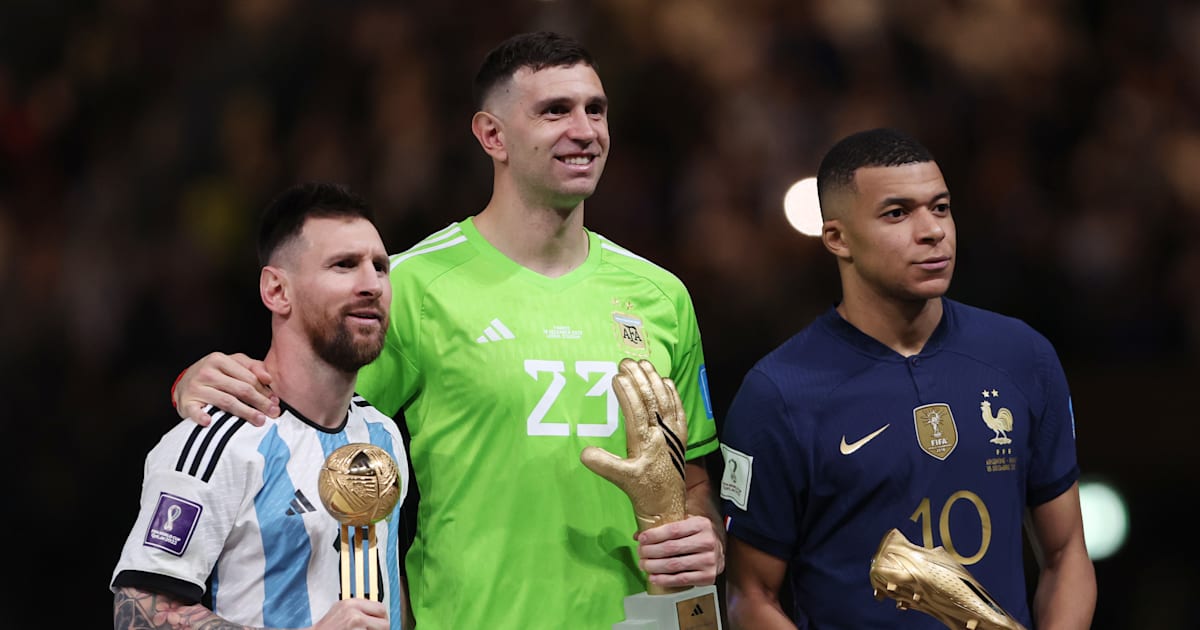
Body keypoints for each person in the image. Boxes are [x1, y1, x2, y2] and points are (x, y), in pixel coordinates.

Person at [169, 31, 724, 629]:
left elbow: (691, 478)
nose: (585, 129)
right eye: (554, 111)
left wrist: (704, 535)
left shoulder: (661, 295)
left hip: (642, 622)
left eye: (596, 109)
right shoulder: (410, 286)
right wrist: (192, 384)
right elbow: (296, 424)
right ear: (492, 136)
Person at [719, 128, 1096, 629]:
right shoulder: (779, 392)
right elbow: (749, 594)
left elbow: (1068, 552)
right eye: (898, 213)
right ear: (837, 238)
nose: (932, 230)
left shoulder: (1022, 356)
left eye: (940, 207)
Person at [111, 182, 409, 629]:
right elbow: (138, 611)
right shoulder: (216, 440)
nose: (371, 284)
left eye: (380, 267)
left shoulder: (381, 433)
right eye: (344, 266)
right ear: (277, 291)